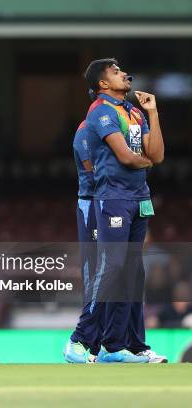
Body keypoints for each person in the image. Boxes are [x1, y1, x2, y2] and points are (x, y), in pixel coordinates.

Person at [83, 58, 166, 363]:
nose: (125, 74)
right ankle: (87, 338)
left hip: (139, 198)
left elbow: (155, 152)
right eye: (116, 72)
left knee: (134, 274)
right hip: (113, 198)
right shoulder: (101, 111)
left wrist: (152, 113)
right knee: (114, 269)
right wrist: (147, 160)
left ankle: (128, 345)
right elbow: (129, 158)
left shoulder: (133, 111)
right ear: (103, 83)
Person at [63, 119, 101, 363]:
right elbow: (94, 170)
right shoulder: (87, 129)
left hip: (118, 201)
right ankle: (79, 340)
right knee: (98, 274)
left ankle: (106, 345)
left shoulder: (125, 121)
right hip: (94, 201)